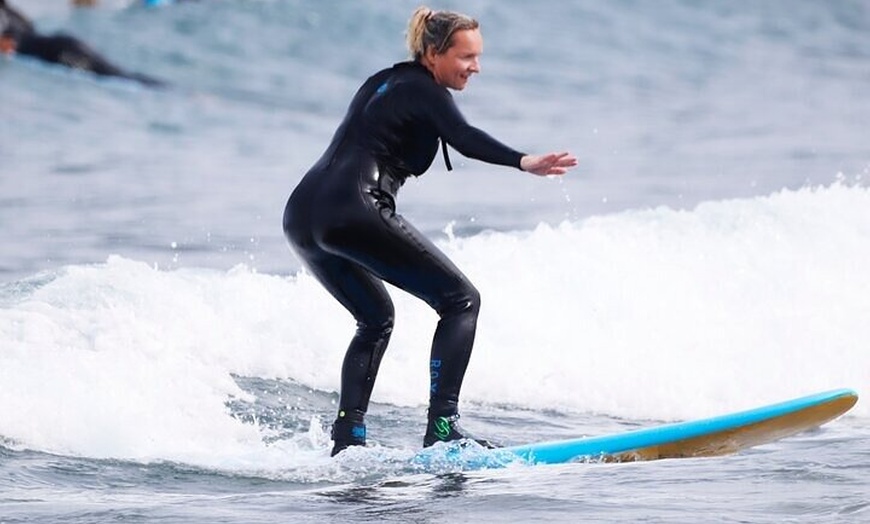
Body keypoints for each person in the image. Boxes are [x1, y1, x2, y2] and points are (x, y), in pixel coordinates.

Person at [283, 6, 577, 457]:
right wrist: (523, 161)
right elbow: (463, 135)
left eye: (478, 57)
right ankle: (443, 426)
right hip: (354, 207)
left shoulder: (382, 81)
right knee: (461, 301)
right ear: (434, 53)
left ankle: (347, 438)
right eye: (466, 57)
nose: (475, 67)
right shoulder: (427, 91)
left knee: (375, 319)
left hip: (304, 214)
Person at [0, 0, 164, 87]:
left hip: (60, 54)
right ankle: (168, 89)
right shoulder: (12, 13)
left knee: (114, 77)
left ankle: (169, 91)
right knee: (118, 74)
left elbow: (9, 44)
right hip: (63, 45)